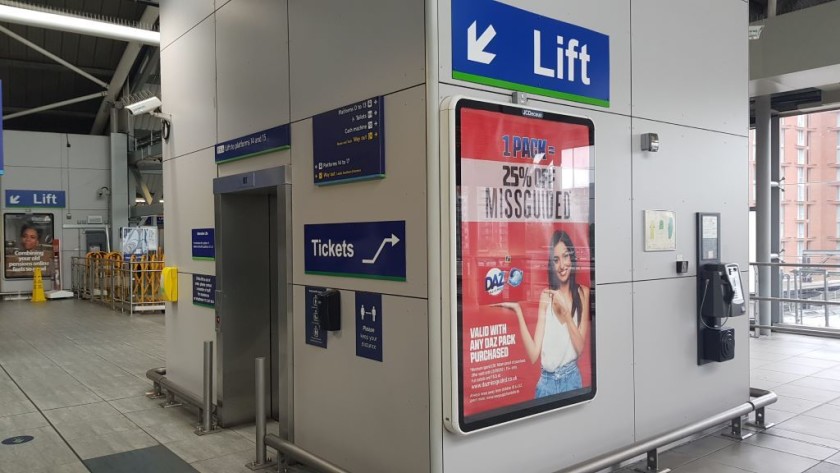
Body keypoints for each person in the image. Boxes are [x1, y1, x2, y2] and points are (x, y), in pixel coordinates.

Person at [494, 230, 590, 398]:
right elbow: (533, 355)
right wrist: (518, 311)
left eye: (565, 256)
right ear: (551, 264)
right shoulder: (546, 296)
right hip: (547, 383)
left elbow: (580, 348)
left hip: (572, 379)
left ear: (572, 258)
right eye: (556, 260)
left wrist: (567, 315)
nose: (562, 265)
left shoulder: (583, 293)